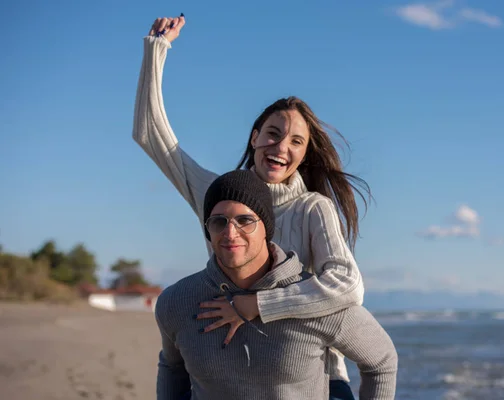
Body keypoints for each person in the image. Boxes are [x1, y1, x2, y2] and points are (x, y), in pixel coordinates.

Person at [134, 15, 374, 398]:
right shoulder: (217, 192)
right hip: (230, 367)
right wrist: (156, 49)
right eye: (274, 134)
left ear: (303, 154)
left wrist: (258, 304)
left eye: (296, 142)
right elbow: (150, 135)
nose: (281, 147)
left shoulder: (313, 209)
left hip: (314, 377)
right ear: (255, 136)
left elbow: (348, 286)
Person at [155, 170, 397, 400]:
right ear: (208, 229)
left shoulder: (314, 300)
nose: (230, 232)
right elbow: (171, 366)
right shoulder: (177, 301)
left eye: (245, 220)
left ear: (266, 228)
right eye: (219, 222)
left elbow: (381, 361)